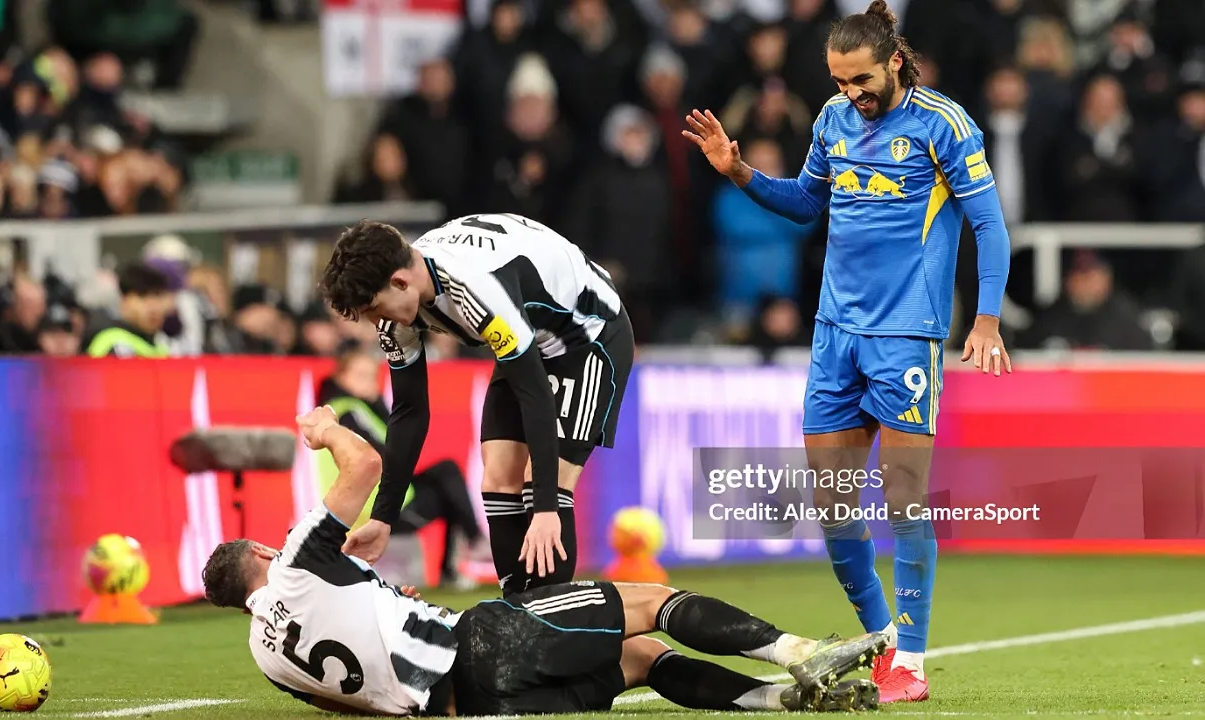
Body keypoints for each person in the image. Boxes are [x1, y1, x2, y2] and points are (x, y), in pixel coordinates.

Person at [683, 0, 1011, 704]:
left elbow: (989, 224)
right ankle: (882, 643)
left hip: (906, 334)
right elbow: (807, 203)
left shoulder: (944, 124)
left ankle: (912, 661)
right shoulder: (832, 119)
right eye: (838, 81)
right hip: (836, 333)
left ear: (894, 61)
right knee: (833, 506)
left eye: (861, 79)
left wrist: (986, 320)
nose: (850, 93)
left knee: (903, 497)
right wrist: (738, 171)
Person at [200, 405, 886, 716]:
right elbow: (367, 465)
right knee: (648, 601)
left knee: (639, 659)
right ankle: (800, 653)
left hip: (470, 708)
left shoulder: (266, 657)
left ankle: (781, 700)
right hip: (481, 644)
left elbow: (351, 702)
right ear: (261, 552)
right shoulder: (294, 561)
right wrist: (325, 429)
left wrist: (392, 621)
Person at [320, 214, 635, 596]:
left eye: (374, 310)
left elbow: (535, 395)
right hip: (530, 335)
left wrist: (546, 508)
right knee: (498, 477)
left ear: (400, 281)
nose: (376, 324)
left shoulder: (475, 288)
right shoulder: (399, 302)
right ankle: (517, 611)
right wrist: (383, 518)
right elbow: (409, 411)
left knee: (543, 486)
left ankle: (554, 621)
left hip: (588, 337)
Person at [317, 343, 493, 587]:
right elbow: (386, 452)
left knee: (447, 480)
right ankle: (465, 552)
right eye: (360, 375)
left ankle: (460, 557)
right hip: (376, 507)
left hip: (369, 503)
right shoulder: (349, 410)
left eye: (372, 376)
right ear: (341, 377)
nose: (368, 382)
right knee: (448, 480)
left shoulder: (343, 410)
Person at [83, 263, 174, 357]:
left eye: (158, 296)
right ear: (124, 301)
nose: (153, 307)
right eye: (142, 296)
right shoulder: (111, 345)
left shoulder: (165, 346)